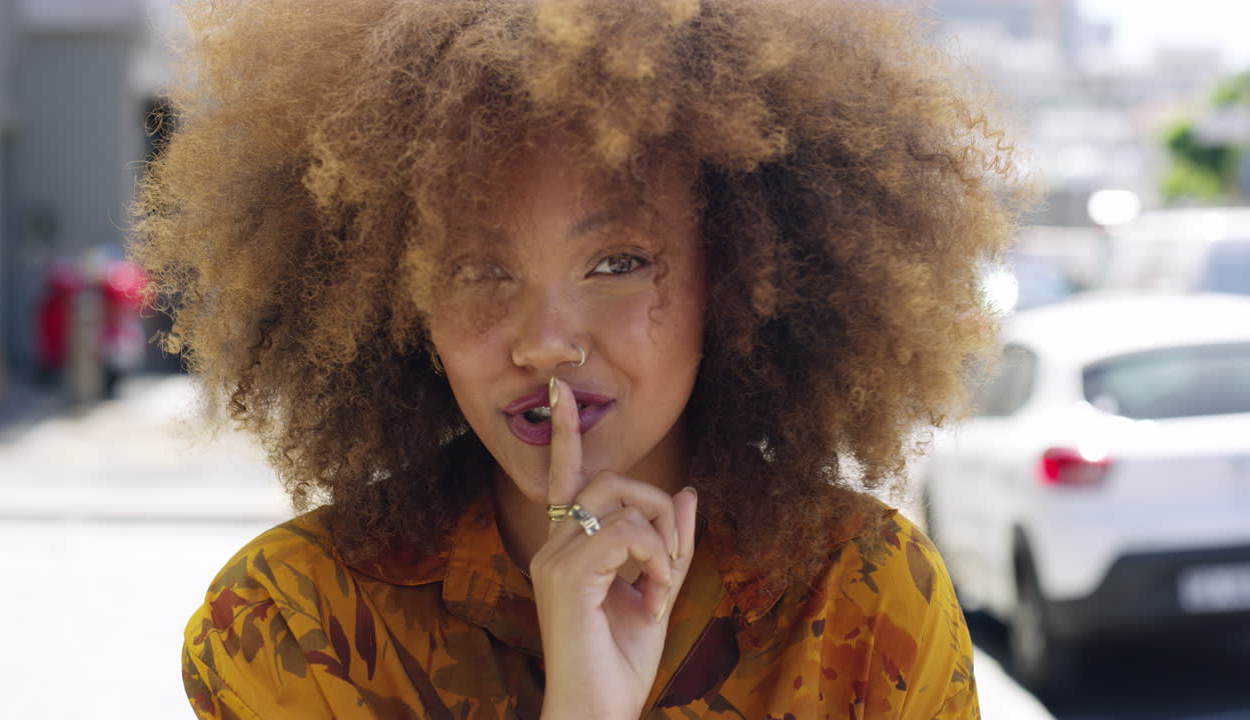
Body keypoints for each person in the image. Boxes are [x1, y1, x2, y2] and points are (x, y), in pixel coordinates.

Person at [132, 0, 1026, 717]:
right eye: (478, 270)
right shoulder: (295, 621)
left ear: (744, 270)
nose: (545, 339)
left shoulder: (860, 602)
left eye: (618, 263)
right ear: (397, 300)